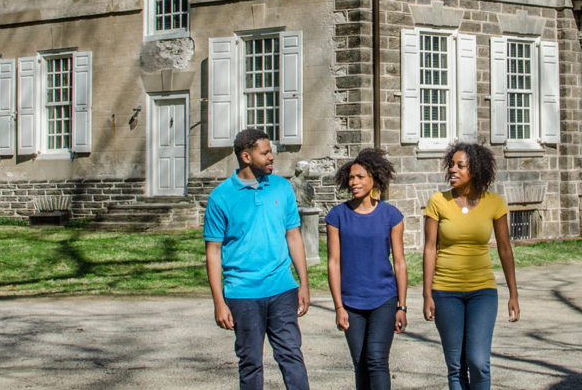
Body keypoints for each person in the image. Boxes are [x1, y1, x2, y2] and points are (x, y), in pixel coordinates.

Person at [203, 128, 311, 390]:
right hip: (242, 294)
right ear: (246, 156)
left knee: (291, 356)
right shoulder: (220, 197)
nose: (272, 157)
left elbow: (294, 237)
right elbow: (213, 252)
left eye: (270, 151)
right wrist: (219, 302)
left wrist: (303, 284)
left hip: (282, 289)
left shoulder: (282, 188)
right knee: (250, 362)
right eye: (265, 153)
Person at [422, 142, 519, 390]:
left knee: (478, 361)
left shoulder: (495, 203)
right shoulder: (437, 202)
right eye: (452, 165)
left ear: (475, 170)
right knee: (456, 366)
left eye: (460, 165)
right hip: (445, 291)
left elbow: (505, 248)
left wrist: (513, 294)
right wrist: (427, 295)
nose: (452, 169)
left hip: (482, 291)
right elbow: (430, 248)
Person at [325, 148, 408, 390]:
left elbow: (400, 262)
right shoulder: (337, 216)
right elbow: (333, 262)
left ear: (374, 179)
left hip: (384, 299)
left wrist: (402, 306)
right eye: (351, 177)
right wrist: (339, 306)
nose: (354, 182)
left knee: (376, 358)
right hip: (351, 303)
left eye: (360, 177)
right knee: (360, 362)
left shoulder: (391, 215)